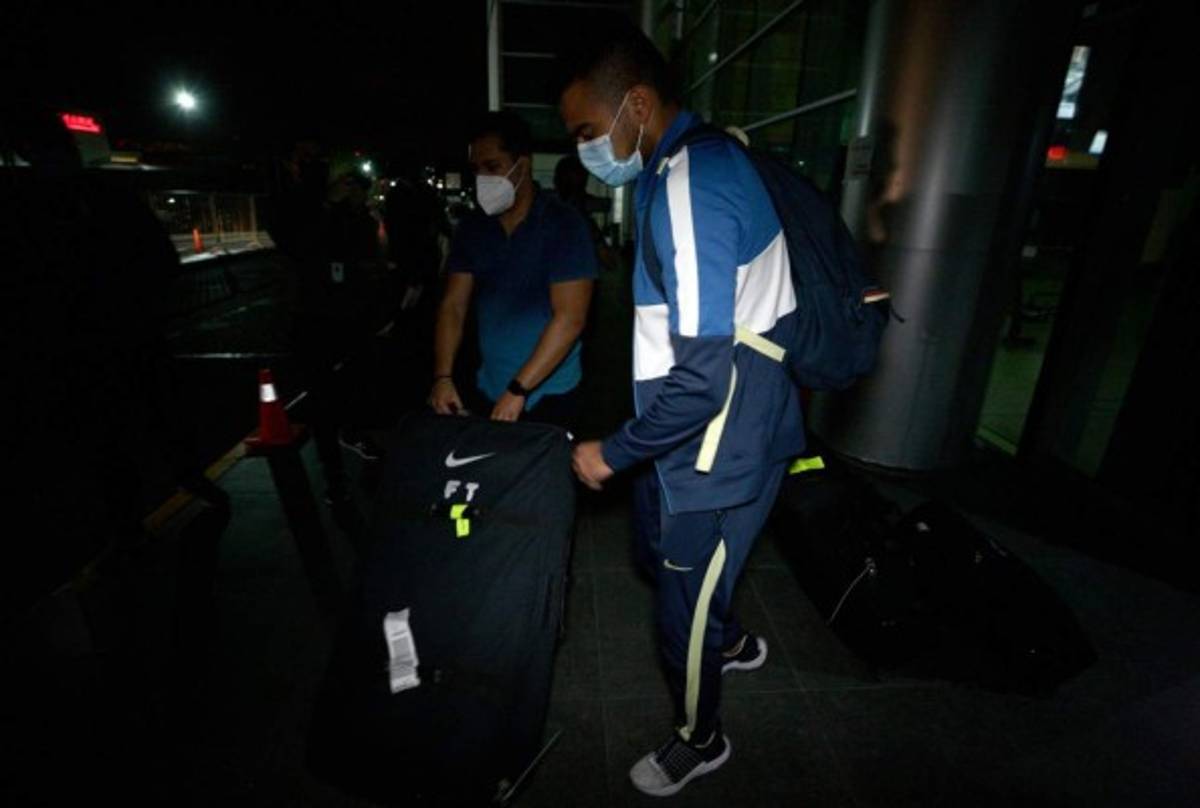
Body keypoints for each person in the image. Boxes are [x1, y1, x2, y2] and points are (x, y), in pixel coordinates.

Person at [560, 21, 806, 796]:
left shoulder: (689, 187)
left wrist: (614, 450)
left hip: (716, 449)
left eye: (587, 132)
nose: (585, 150)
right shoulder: (701, 162)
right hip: (722, 439)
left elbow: (701, 382)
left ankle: (700, 737)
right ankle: (729, 638)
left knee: (678, 615)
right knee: (666, 562)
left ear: (636, 103)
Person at [429, 111, 597, 430]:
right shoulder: (474, 227)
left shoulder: (564, 225)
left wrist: (519, 388)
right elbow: (453, 305)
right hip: (488, 389)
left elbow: (570, 318)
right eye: (476, 170)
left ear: (524, 164)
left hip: (550, 396)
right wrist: (443, 376)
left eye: (493, 167)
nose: (483, 180)